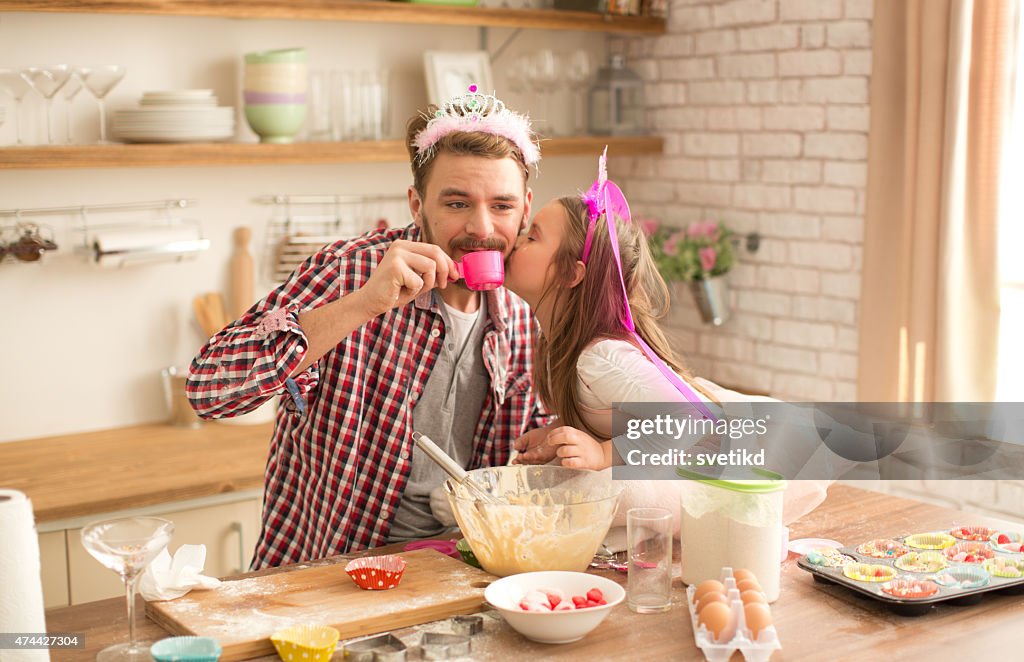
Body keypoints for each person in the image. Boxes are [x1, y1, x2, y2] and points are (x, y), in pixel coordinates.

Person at [186, 88, 550, 569]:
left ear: (525, 208)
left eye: (501, 206)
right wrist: (362, 305)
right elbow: (209, 390)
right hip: (331, 574)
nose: (481, 229)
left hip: (464, 570)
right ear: (416, 205)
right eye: (458, 204)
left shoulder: (526, 313)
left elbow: (538, 456)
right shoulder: (351, 272)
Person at [504, 150, 831, 531]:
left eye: (531, 237)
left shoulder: (600, 358)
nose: (515, 241)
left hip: (753, 451)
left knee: (600, 489)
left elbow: (687, 422)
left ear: (569, 274)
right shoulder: (561, 344)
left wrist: (603, 452)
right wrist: (560, 432)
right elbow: (618, 413)